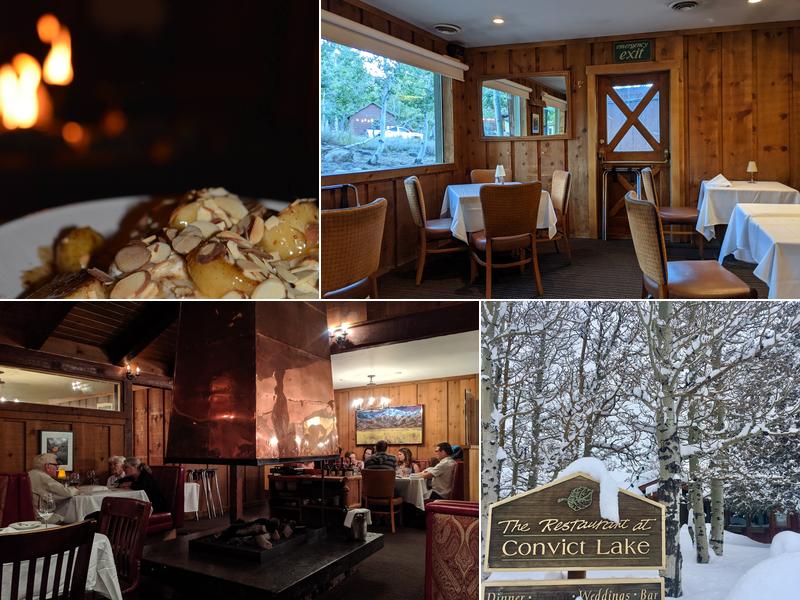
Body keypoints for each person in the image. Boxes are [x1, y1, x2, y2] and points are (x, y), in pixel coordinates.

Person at [28, 453, 77, 518]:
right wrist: (76, 490)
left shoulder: (30, 473)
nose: (57, 467)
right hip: (40, 517)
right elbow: (67, 493)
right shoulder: (44, 477)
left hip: (28, 515)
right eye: (55, 465)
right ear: (47, 466)